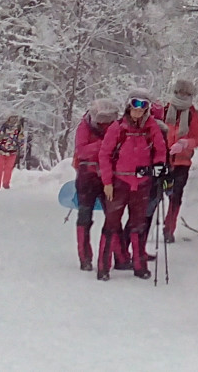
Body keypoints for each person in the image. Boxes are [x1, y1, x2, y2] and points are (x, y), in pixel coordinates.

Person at [99, 88, 170, 280]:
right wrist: (107, 182)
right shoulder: (118, 127)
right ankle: (103, 268)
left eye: (143, 106)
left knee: (138, 225)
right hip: (119, 182)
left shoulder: (152, 127)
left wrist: (158, 169)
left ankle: (140, 266)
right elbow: (104, 154)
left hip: (142, 183)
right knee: (111, 225)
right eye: (135, 105)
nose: (138, 110)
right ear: (128, 106)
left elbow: (160, 151)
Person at [72, 98, 121, 271]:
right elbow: (82, 150)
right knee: (85, 216)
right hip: (88, 175)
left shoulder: (116, 127)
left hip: (108, 175)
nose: (105, 123)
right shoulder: (84, 126)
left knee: (113, 216)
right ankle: (84, 257)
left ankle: (119, 255)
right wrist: (104, 146)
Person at [155, 79, 198, 242]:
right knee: (154, 194)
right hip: (162, 160)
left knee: (176, 196)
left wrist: (184, 144)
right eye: (179, 92)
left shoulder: (192, 114)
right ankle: (144, 227)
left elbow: (197, 138)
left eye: (186, 93)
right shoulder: (164, 110)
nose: (182, 96)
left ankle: (169, 228)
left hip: (182, 162)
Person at [0, 115, 24, 191]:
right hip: (2, 151)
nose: (13, 120)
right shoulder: (4, 127)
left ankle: (6, 184)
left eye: (15, 118)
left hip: (12, 152)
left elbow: (21, 139)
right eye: (12, 118)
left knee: (9, 169)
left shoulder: (19, 128)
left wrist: (20, 149)